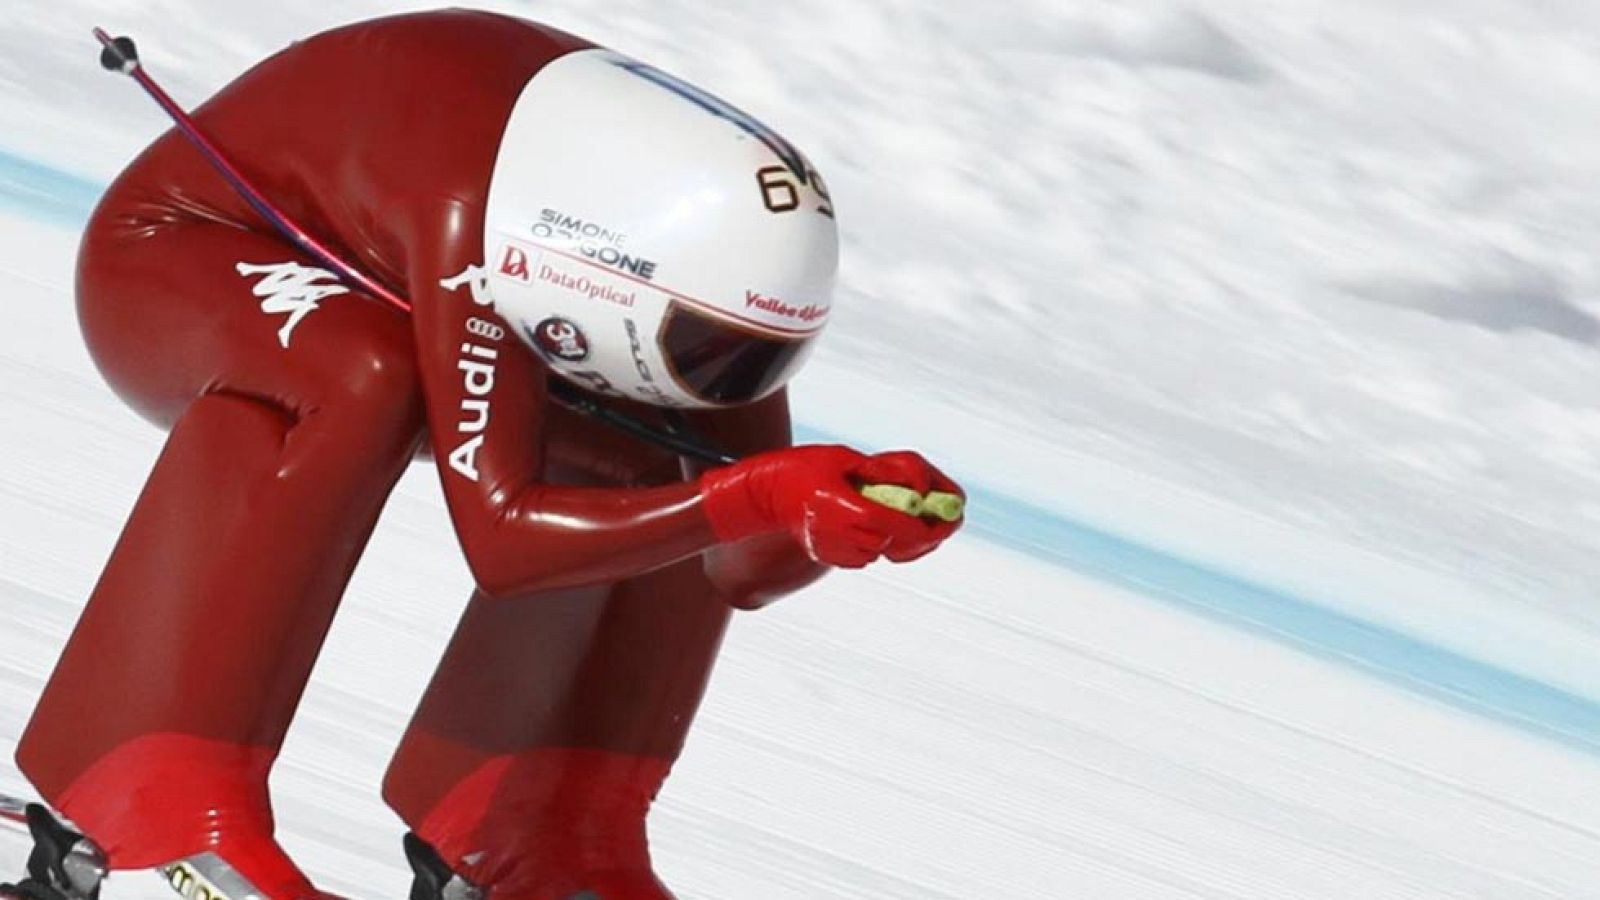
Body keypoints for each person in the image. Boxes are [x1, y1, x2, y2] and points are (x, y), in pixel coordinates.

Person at [9, 9, 964, 900]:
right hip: (178, 252)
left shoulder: (699, 271)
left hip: (421, 257)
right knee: (364, 371)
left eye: (760, 362)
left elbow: (741, 564)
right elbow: (504, 542)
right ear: (604, 269)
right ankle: (149, 787)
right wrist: (755, 494)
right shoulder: (476, 213)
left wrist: (836, 510)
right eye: (711, 351)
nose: (727, 381)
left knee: (677, 446)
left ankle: (535, 827)